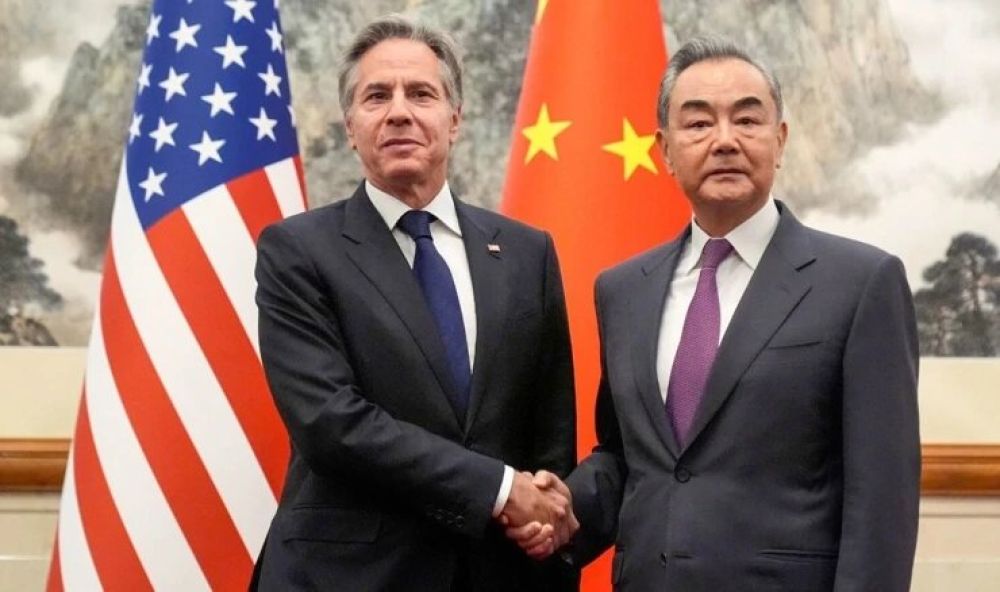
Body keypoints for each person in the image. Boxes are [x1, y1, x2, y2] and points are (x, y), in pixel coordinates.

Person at [508, 36, 921, 591]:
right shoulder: (624, 290)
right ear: (665, 149)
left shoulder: (861, 283)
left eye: (746, 120)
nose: (725, 140)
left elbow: (882, 499)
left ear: (780, 139)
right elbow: (629, 457)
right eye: (699, 123)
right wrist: (558, 512)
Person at [252, 14, 578, 591]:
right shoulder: (298, 251)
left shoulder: (528, 253)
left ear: (454, 120)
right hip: (350, 577)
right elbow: (330, 422)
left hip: (499, 575)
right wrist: (501, 489)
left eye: (421, 94)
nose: (399, 111)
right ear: (351, 128)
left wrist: (546, 511)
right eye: (377, 96)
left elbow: (550, 430)